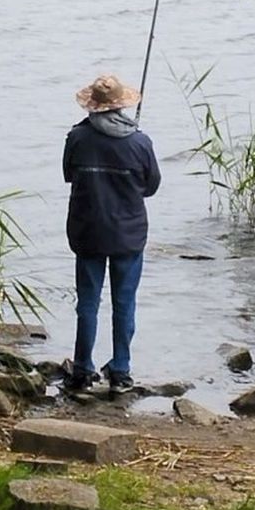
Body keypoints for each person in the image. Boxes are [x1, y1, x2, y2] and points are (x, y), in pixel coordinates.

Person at [62, 73, 161, 393]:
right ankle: (121, 371)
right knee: (124, 302)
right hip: (128, 235)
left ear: (93, 105)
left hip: (88, 231)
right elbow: (151, 186)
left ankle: (82, 369)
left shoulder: (77, 138)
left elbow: (68, 175)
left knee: (87, 302)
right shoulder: (140, 141)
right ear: (121, 106)